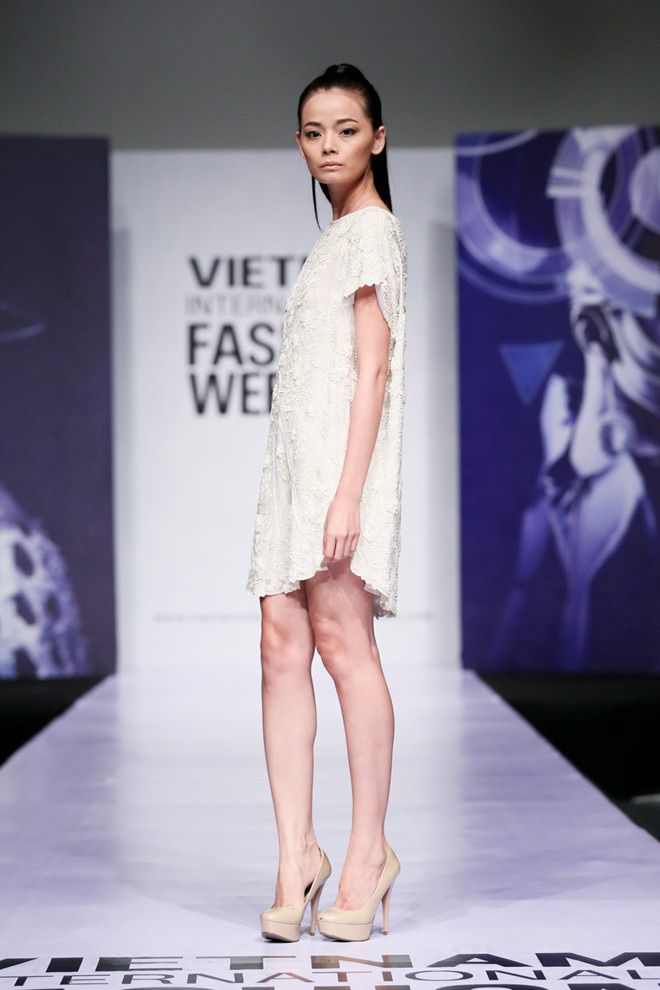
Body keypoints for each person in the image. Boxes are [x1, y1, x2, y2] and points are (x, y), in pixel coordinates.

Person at [245, 63, 407, 942]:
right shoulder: (333, 238)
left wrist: (347, 495)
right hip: (293, 477)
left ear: (376, 138)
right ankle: (294, 856)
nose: (328, 146)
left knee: (347, 650)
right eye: (314, 133)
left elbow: (373, 374)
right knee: (280, 648)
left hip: (340, 481)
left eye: (346, 130)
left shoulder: (373, 231)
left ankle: (368, 855)